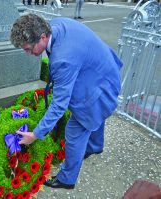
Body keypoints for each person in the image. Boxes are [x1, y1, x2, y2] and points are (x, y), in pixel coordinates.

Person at [11, 14, 122, 189]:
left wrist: (36, 134)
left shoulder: (63, 59)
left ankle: (67, 179)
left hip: (100, 86)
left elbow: (59, 104)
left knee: (75, 129)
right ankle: (95, 146)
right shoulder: (54, 25)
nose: (28, 54)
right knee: (95, 115)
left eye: (28, 48)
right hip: (104, 72)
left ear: (42, 37)